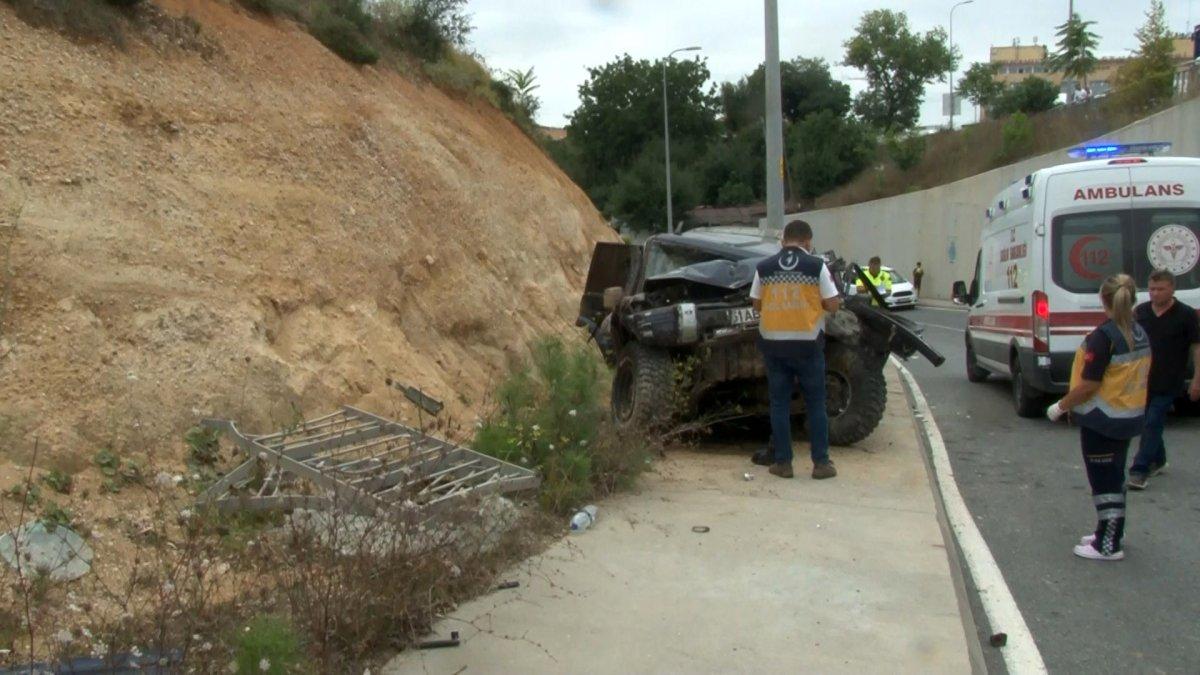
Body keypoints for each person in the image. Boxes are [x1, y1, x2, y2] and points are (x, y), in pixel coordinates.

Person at [1046, 274, 1150, 561]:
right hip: (1127, 416)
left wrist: (1061, 406)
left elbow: (1090, 384)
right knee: (1115, 479)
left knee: (1104, 483)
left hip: (1102, 419)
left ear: (1103, 299)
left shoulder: (1105, 337)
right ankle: (1111, 530)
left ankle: (1108, 545)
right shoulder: (1137, 332)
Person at [749, 219, 841, 479]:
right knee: (815, 404)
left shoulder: (764, 268)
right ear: (807, 241)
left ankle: (783, 463)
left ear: (783, 241)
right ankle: (821, 464)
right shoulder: (816, 266)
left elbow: (756, 304)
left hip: (774, 346)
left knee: (779, 405)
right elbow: (833, 304)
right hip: (808, 346)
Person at [1127, 269, 1200, 490]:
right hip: (1143, 380)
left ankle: (1139, 470)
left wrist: (1197, 379)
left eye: (1160, 289)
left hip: (1169, 380)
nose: (1155, 294)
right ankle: (1158, 459)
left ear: (1172, 289)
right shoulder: (1140, 312)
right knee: (1148, 423)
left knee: (1152, 421)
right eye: (1151, 289)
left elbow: (1196, 348)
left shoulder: (1185, 314)